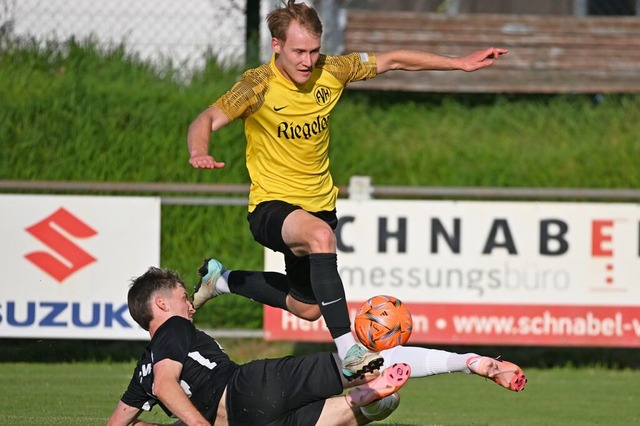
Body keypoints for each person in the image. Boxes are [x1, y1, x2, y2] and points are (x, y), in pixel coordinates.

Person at [187, 0, 509, 381]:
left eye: (313, 50)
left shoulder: (332, 70)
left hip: (319, 206)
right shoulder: (257, 85)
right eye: (298, 52)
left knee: (307, 307)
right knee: (321, 238)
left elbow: (392, 60)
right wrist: (199, 150)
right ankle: (347, 350)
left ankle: (220, 280)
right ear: (276, 46)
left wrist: (459, 62)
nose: (307, 61)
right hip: (270, 207)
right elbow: (207, 117)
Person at [107, 267, 526, 426]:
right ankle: (470, 363)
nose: (189, 304)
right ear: (162, 305)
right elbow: (167, 386)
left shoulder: (145, 363)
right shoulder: (174, 328)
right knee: (360, 361)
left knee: (342, 412)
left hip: (245, 419)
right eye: (184, 296)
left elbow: (119, 424)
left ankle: (371, 399)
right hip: (250, 387)